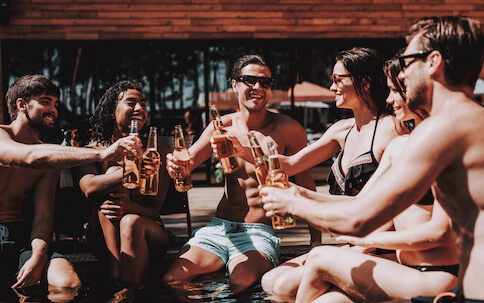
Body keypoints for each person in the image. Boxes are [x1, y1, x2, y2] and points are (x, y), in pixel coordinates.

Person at [261, 16, 484, 301]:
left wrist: (292, 202)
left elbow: (359, 219)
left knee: (319, 260)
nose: (400, 75)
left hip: (454, 287)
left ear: (433, 62)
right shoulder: (469, 121)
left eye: (406, 63)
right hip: (459, 288)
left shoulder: (444, 127)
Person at [292, 55, 459, 303]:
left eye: (395, 90)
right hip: (403, 271)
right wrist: (298, 197)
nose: (389, 99)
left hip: (436, 275)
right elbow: (364, 203)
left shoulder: (444, 145)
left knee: (319, 258)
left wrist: (367, 239)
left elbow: (441, 233)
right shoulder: (398, 147)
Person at [163, 54, 316, 293]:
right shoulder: (220, 127)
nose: (258, 87)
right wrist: (174, 165)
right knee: (172, 279)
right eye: (249, 80)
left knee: (240, 281)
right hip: (219, 228)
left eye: (265, 82)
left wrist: (316, 241)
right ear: (234, 84)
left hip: (259, 232)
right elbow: (187, 162)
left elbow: (306, 184)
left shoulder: (289, 129)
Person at [260, 47, 398, 298]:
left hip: (378, 246)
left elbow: (395, 203)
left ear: (364, 82)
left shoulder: (390, 131)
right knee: (269, 280)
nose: (332, 86)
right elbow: (289, 165)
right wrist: (241, 149)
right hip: (348, 242)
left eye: (338, 79)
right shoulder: (341, 130)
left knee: (283, 286)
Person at [0, 75, 141, 291]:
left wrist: (38, 256)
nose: (54, 110)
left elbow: (44, 218)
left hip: (17, 238)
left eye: (56, 104)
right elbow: (28, 156)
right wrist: (103, 153)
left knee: (68, 284)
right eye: (45, 101)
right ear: (21, 105)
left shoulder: (52, 160)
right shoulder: (1, 135)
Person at [77, 80, 171, 292]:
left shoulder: (156, 150)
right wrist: (130, 170)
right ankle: (118, 268)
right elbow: (89, 187)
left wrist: (130, 209)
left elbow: (154, 211)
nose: (140, 109)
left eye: (143, 105)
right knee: (110, 174)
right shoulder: (94, 150)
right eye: (131, 103)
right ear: (112, 110)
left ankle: (123, 288)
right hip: (101, 238)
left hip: (148, 233)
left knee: (130, 222)